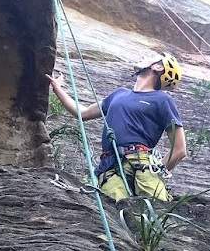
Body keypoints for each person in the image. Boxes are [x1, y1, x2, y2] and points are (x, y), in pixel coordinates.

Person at [48, 53, 187, 201]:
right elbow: (82, 113)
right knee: (117, 213)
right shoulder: (119, 95)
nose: (143, 57)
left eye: (151, 57)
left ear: (158, 67)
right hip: (110, 166)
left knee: (154, 211)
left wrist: (156, 171)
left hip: (142, 165)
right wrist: (57, 89)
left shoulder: (162, 100)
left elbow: (179, 150)